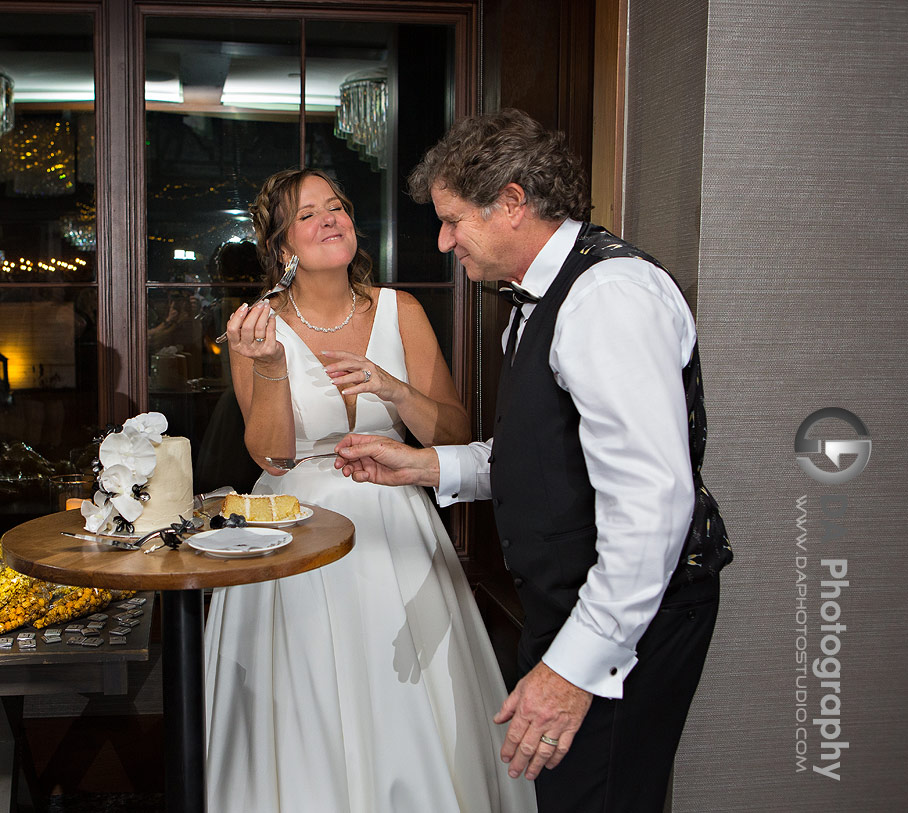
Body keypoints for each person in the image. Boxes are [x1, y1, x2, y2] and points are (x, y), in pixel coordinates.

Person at [334, 109, 732, 813]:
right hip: (580, 603)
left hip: (631, 615)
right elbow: (548, 459)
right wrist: (424, 467)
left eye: (454, 219)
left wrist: (572, 672)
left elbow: (651, 506)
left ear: (513, 202)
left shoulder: (608, 297)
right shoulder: (539, 299)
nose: (443, 239)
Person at [206, 167, 537, 813]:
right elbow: (271, 454)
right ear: (281, 246)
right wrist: (271, 366)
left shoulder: (400, 309)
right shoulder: (254, 326)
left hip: (396, 524)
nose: (330, 219)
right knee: (310, 700)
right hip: (294, 529)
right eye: (308, 214)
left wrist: (393, 388)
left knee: (405, 699)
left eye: (336, 207)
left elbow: (456, 431)